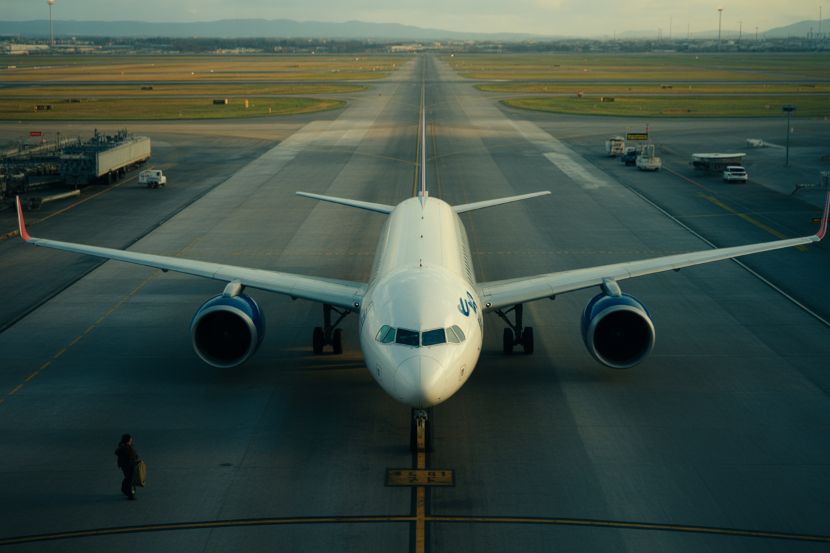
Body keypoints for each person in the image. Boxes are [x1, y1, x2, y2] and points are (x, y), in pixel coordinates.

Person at [114, 434, 139, 500]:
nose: (131, 440)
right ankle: (130, 493)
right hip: (128, 465)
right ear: (128, 440)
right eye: (130, 439)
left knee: (128, 477)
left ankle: (125, 490)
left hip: (126, 465)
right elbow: (132, 456)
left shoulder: (124, 446)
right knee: (130, 479)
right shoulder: (126, 447)